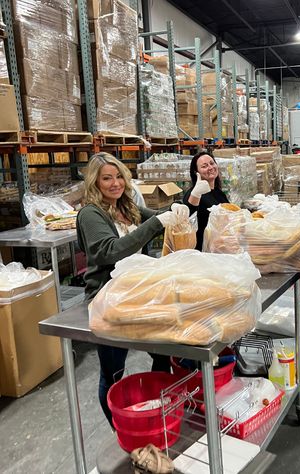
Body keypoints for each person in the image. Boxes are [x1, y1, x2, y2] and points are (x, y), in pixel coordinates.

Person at [76, 152, 188, 425]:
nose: (115, 183)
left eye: (118, 177)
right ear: (94, 182)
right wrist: (155, 223)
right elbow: (108, 251)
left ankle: (156, 407)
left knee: (162, 351)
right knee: (113, 371)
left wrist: (176, 211)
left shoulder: (126, 206)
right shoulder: (91, 214)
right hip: (108, 299)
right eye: (107, 178)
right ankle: (119, 427)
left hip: (137, 292)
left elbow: (156, 218)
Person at [183, 151, 229, 251]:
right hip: (203, 252)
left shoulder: (219, 193)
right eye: (204, 166)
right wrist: (195, 194)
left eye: (212, 163)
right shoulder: (195, 194)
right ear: (197, 173)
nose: (210, 167)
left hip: (220, 248)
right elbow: (186, 219)